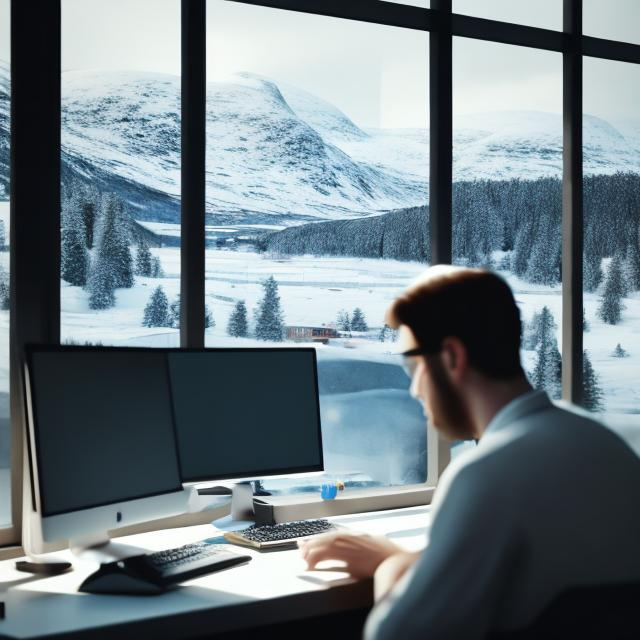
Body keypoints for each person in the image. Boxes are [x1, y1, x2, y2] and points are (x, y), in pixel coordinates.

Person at [299, 265, 640, 639]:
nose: (413, 389)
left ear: (451, 357)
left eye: (411, 365)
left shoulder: (487, 473)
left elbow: (395, 635)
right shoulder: (602, 443)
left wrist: (391, 564)